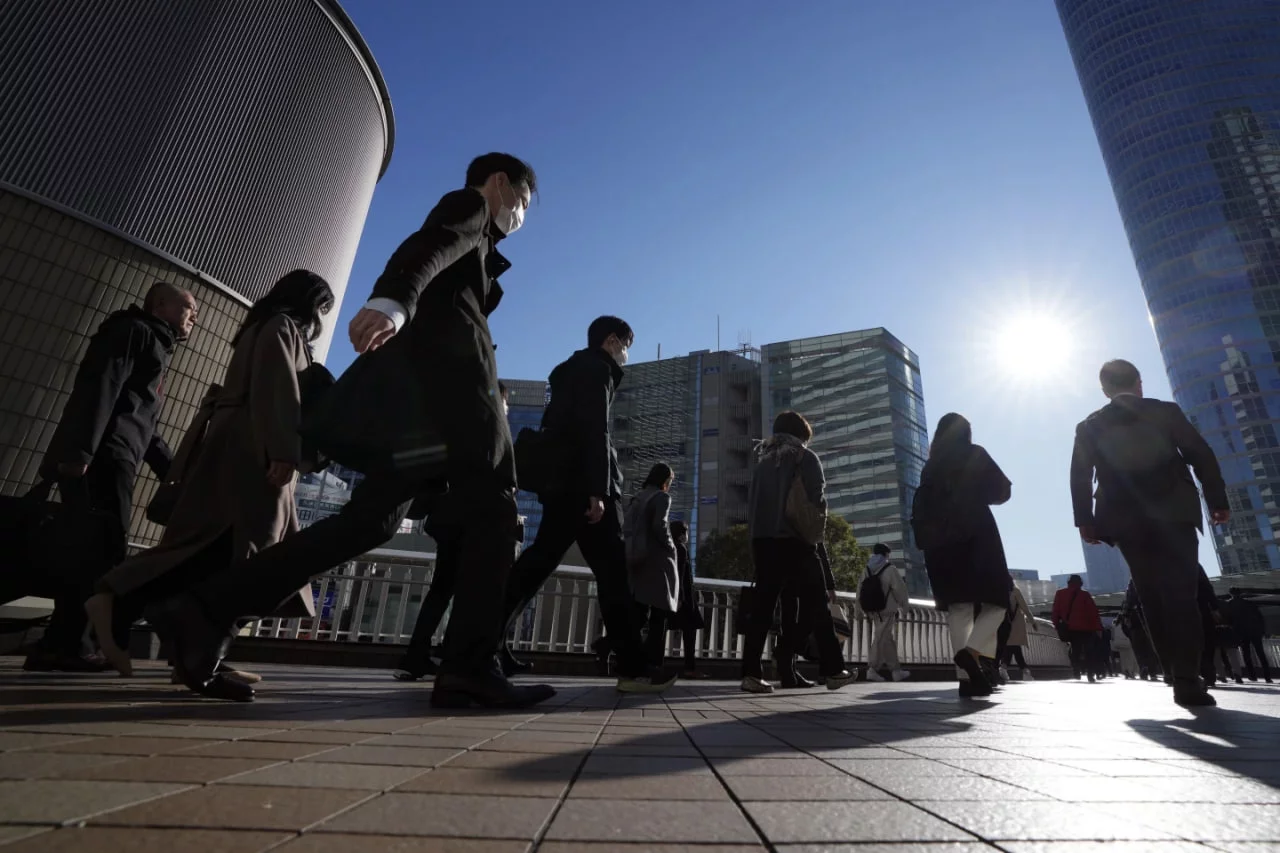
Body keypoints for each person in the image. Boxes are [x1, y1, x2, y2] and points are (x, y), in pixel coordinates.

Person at [146, 153, 555, 709]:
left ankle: (207, 607)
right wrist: (393, 303)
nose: (523, 217)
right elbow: (429, 246)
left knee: (369, 523)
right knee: (495, 507)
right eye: (525, 203)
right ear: (501, 185)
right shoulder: (471, 209)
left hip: (422, 418)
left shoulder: (483, 246)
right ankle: (469, 667)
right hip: (457, 399)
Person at [82, 271, 332, 679]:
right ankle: (125, 602)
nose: (321, 317)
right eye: (322, 307)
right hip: (255, 450)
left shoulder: (259, 326)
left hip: (240, 443)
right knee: (240, 550)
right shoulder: (282, 328)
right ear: (309, 302)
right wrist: (284, 450)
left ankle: (190, 649)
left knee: (218, 547)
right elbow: (279, 388)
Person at [24, 282, 198, 673]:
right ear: (160, 305)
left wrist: (174, 473)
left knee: (92, 552)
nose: (195, 317)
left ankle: (60, 644)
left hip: (112, 456)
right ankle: (69, 646)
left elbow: (145, 425)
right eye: (188, 307)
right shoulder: (133, 331)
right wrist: (79, 453)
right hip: (101, 458)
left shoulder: (153, 343)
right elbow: (99, 387)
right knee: (98, 553)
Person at [500, 317, 671, 694]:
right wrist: (597, 489)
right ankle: (634, 668)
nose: (627, 355)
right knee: (612, 576)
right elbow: (595, 429)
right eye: (627, 345)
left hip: (563, 486)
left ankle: (478, 645)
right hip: (586, 490)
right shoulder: (598, 370)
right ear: (612, 341)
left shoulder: (569, 371)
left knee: (538, 562)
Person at [1070, 359, 1228, 707]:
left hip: (1126, 520)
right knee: (1181, 595)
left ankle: (1173, 669)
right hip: (1175, 513)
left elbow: (1080, 475)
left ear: (1105, 390)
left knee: (1150, 593)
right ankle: (1186, 677)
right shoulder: (1166, 412)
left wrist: (1085, 520)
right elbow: (1201, 455)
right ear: (1139, 383)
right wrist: (1217, 501)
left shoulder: (1091, 425)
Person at [392, 383, 516, 682]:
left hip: (448, 518)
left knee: (443, 588)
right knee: (470, 589)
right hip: (471, 520)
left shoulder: (460, 424)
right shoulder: (487, 427)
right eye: (505, 402)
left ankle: (417, 655)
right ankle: (453, 656)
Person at [740, 410, 853, 694]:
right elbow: (816, 501)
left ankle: (751, 673)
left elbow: (752, 509)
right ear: (802, 435)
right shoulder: (805, 457)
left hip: (763, 542)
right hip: (796, 541)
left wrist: (754, 544)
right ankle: (833, 669)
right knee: (817, 606)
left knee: (763, 609)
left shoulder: (762, 463)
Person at [911, 413, 1011, 698]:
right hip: (977, 536)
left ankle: (967, 679)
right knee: (997, 603)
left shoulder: (930, 466)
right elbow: (1001, 491)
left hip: (941, 543)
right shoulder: (974, 453)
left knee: (959, 609)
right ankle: (972, 653)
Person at [625, 463, 681, 670]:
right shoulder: (661, 497)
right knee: (660, 612)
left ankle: (625, 654)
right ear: (665, 481)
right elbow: (661, 525)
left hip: (636, 559)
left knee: (638, 612)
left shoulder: (637, 498)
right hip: (656, 561)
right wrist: (671, 546)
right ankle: (653, 662)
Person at [862, 543, 909, 683]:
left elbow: (860, 589)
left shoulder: (867, 568)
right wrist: (905, 607)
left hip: (872, 609)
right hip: (886, 609)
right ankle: (872, 669)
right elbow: (900, 589)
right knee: (880, 638)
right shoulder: (890, 569)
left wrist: (860, 609)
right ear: (886, 554)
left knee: (886, 639)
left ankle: (895, 671)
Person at [668, 520, 705, 678]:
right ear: (683, 534)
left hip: (676, 597)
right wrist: (682, 597)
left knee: (666, 629)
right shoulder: (681, 549)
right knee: (690, 632)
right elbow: (681, 574)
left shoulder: (671, 548)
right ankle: (690, 668)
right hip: (685, 599)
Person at [1052, 575, 1103, 681]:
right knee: (1089, 650)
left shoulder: (1060, 593)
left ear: (1068, 582)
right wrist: (1098, 628)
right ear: (1080, 583)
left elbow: (1055, 610)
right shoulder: (1085, 595)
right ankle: (1090, 673)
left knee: (1075, 650)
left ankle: (1076, 669)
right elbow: (1093, 613)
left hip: (1071, 628)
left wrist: (1056, 624)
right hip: (1087, 628)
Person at [1225, 588, 1273, 683]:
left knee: (1246, 654)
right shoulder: (1249, 603)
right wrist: (1263, 630)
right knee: (1261, 653)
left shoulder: (1229, 604)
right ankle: (1267, 677)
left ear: (1230, 593)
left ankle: (1252, 675)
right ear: (1240, 593)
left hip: (1241, 633)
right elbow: (1259, 617)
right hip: (1255, 631)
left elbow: (1229, 619)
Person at [997, 576, 1035, 682]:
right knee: (1014, 647)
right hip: (1016, 625)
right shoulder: (1015, 590)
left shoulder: (999, 591)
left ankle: (1005, 667)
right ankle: (1024, 670)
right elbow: (1024, 607)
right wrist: (1033, 622)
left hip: (1003, 623)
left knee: (1010, 646)